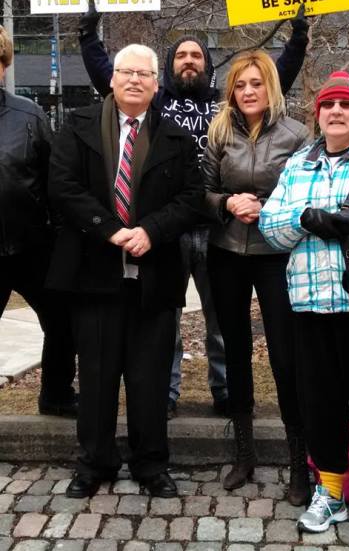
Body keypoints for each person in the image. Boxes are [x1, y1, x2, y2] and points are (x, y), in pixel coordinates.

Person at [78, 0, 310, 417]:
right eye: (181, 55)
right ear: (169, 68)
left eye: (197, 55)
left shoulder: (226, 105)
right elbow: (105, 77)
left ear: (208, 66)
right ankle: (165, 395)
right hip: (170, 226)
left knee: (220, 319)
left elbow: (278, 78)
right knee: (167, 316)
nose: (189, 61)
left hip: (219, 229)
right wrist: (88, 35)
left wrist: (298, 37)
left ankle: (225, 392)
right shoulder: (158, 101)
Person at [47, 43, 203, 499]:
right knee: (95, 376)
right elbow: (63, 185)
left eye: (144, 73)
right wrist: (109, 230)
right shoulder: (77, 126)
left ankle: (151, 463)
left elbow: (192, 198)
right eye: (126, 72)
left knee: (149, 378)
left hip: (154, 276)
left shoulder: (176, 136)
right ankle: (94, 462)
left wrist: (151, 231)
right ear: (111, 79)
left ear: (157, 83)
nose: (135, 80)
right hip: (93, 272)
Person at [259, 72, 349, 548]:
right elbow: (269, 226)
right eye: (328, 105)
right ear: (317, 115)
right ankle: (332, 492)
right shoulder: (300, 163)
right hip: (311, 306)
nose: (336, 112)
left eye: (346, 105)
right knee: (320, 407)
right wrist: (304, 219)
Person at [201, 49, 310, 503]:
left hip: (276, 253)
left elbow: (305, 190)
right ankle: (244, 455)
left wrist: (267, 209)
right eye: (240, 85)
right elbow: (202, 189)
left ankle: (298, 461)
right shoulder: (220, 129)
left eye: (256, 83)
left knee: (285, 356)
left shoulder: (298, 134)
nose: (248, 91)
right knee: (235, 350)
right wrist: (227, 203)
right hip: (227, 250)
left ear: (271, 86)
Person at [0, 25, 77, 416]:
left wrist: (60, 238)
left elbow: (54, 182)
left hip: (32, 246)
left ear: (3, 65)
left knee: (62, 323)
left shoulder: (28, 116)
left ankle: (57, 396)